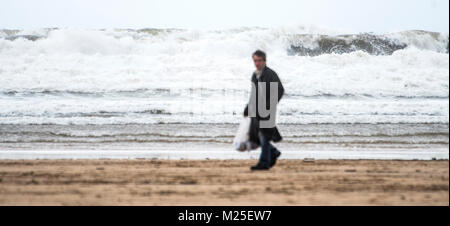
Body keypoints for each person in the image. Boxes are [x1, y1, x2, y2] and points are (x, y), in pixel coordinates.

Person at [243, 50, 285, 170]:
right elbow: (254, 94)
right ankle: (273, 152)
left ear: (264, 61)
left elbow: (280, 90)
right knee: (257, 136)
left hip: (267, 110)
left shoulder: (270, 74)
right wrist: (247, 109)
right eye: (255, 60)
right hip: (256, 110)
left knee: (264, 135)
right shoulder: (255, 75)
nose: (257, 63)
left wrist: (270, 105)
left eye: (259, 60)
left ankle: (264, 163)